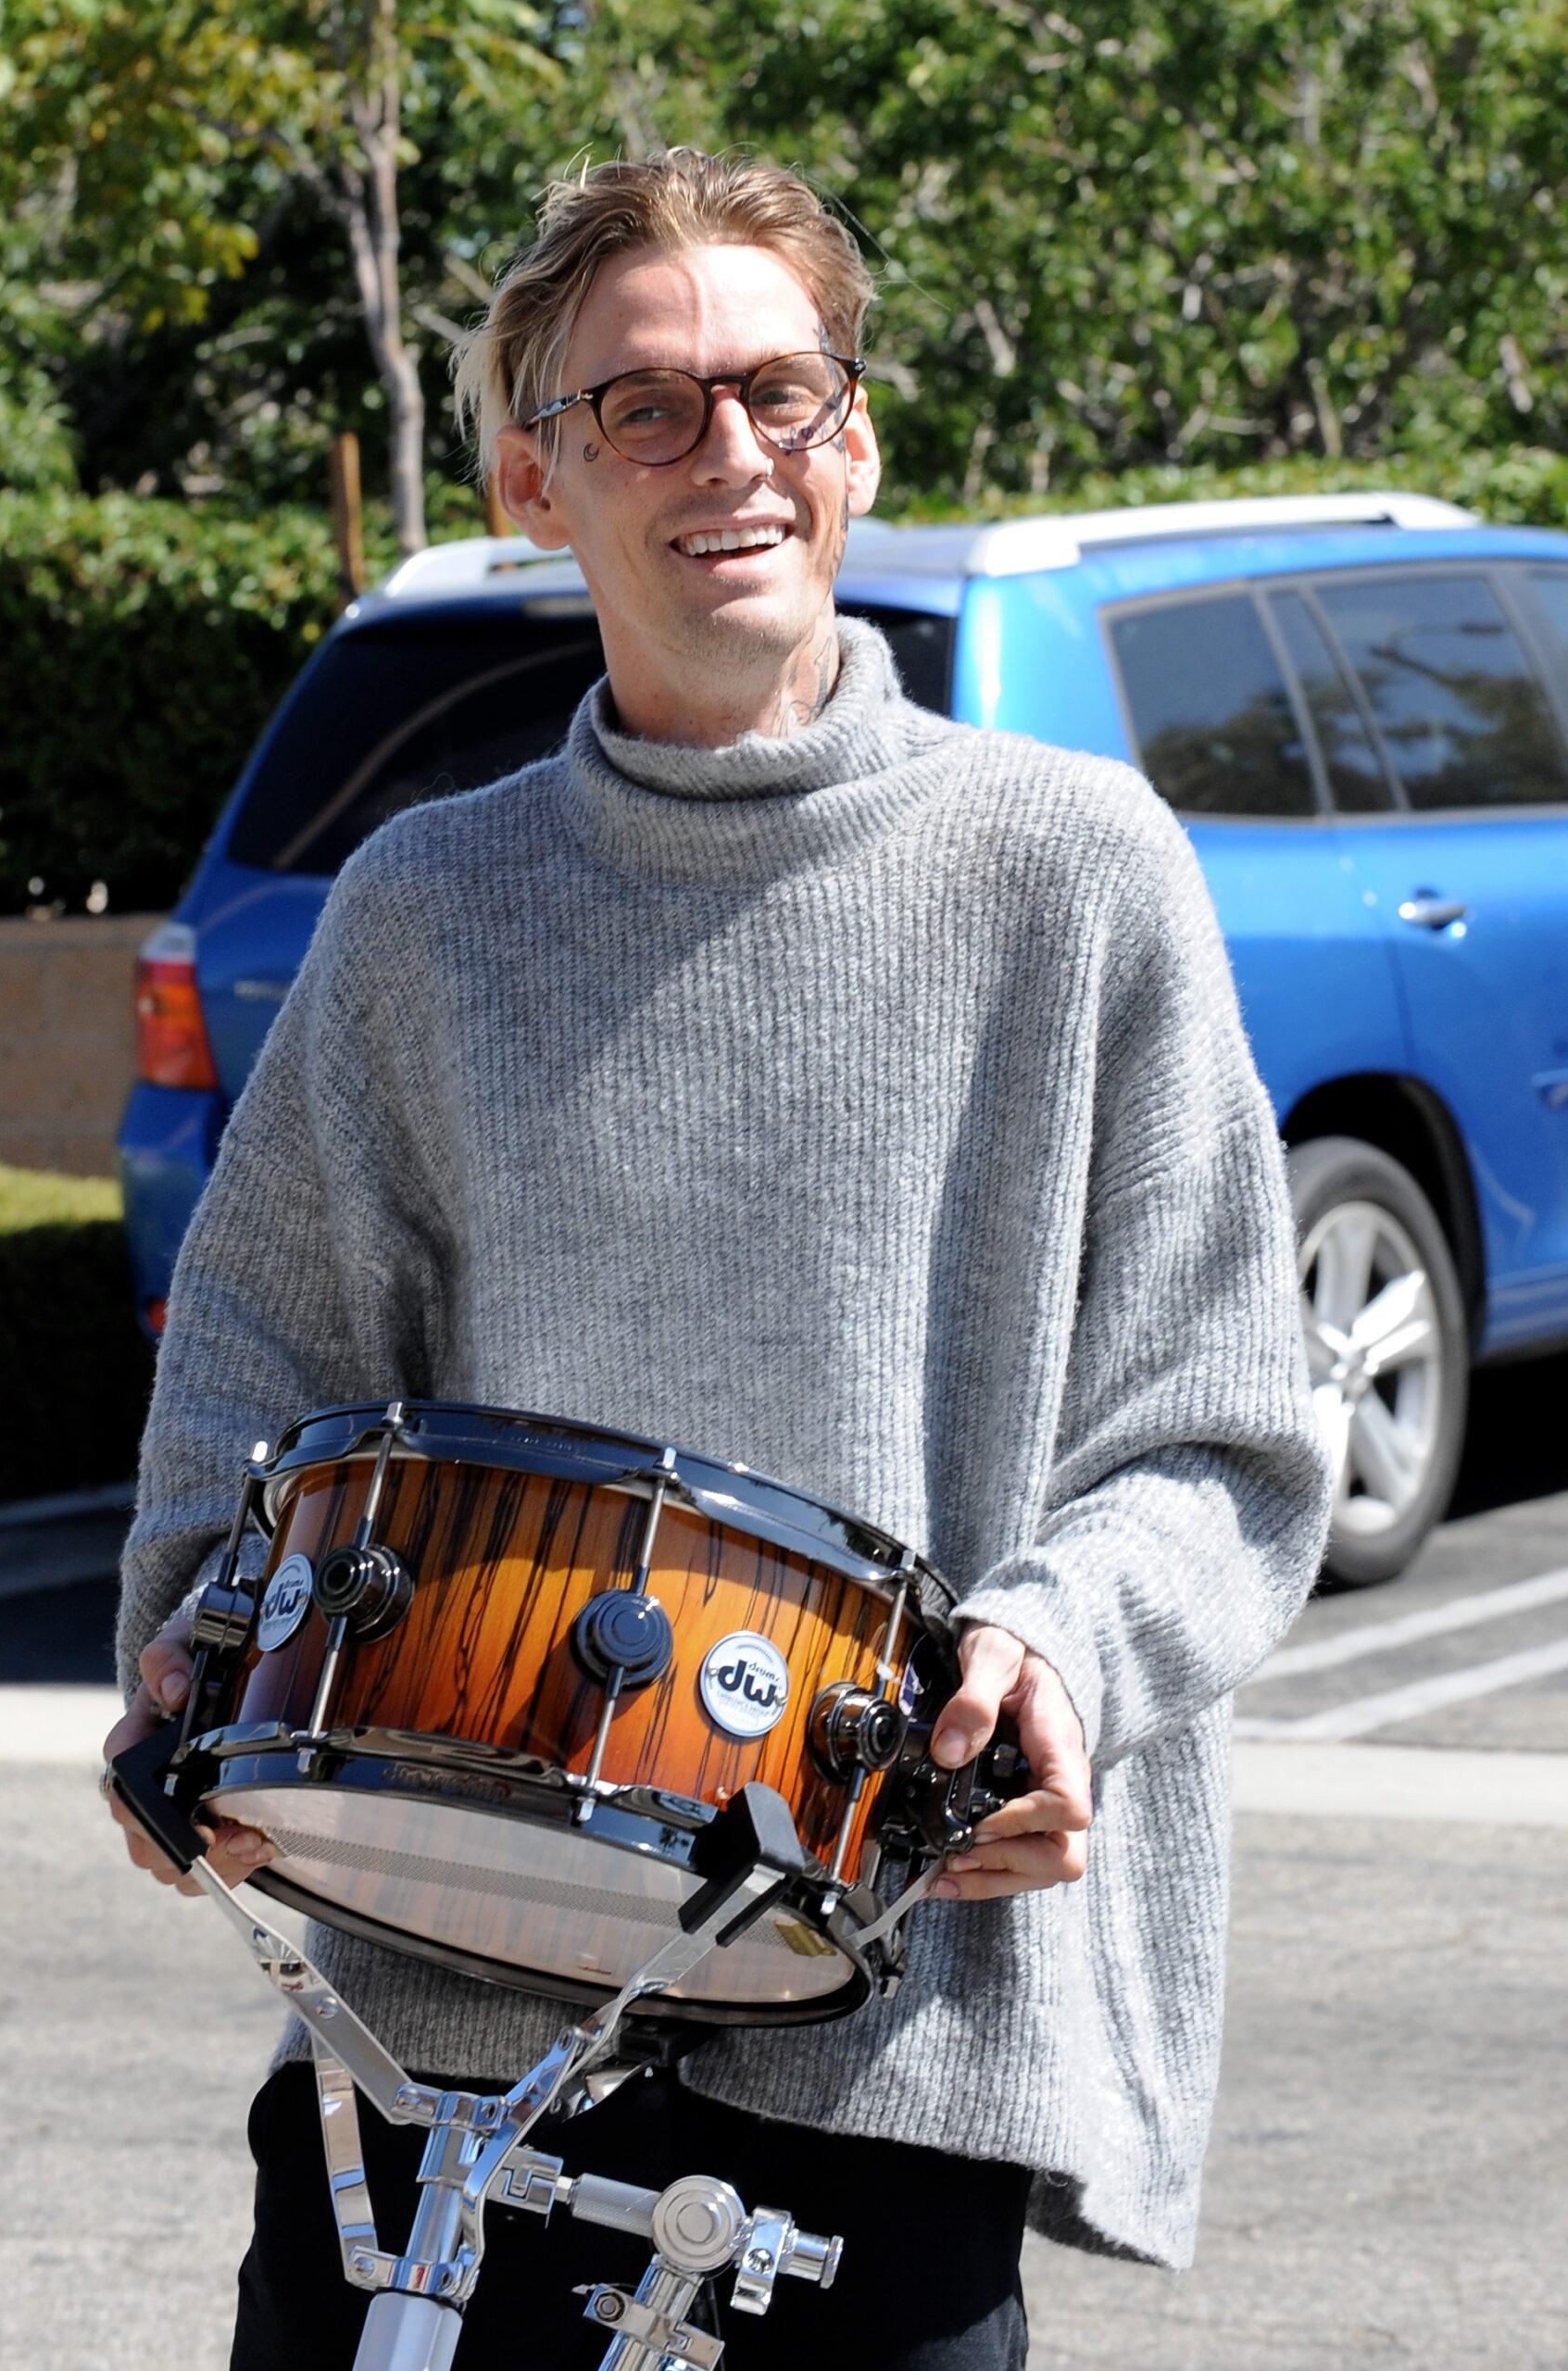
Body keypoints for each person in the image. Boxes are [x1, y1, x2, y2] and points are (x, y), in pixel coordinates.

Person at [104, 147, 1330, 2370]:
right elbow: (252, 1386)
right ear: (532, 475)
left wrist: (1063, 1644)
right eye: (643, 406)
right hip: (423, 2022)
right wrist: (193, 1638)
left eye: (778, 388)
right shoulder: (424, 910)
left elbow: (1228, 1416)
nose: (726, 451)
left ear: (852, 436)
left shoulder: (1074, 878)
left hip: (889, 2042)